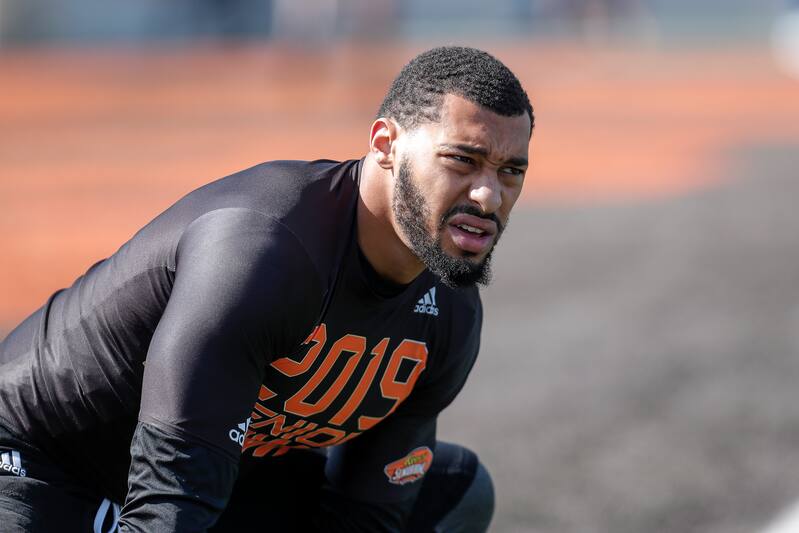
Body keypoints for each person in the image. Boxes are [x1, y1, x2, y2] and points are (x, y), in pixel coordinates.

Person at [0, 45, 534, 532]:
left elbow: (367, 514)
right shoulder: (265, 253)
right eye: (462, 159)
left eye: (511, 171)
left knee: (451, 491)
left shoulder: (451, 314)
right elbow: (169, 506)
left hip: (211, 482)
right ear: (385, 144)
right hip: (39, 461)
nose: (488, 196)